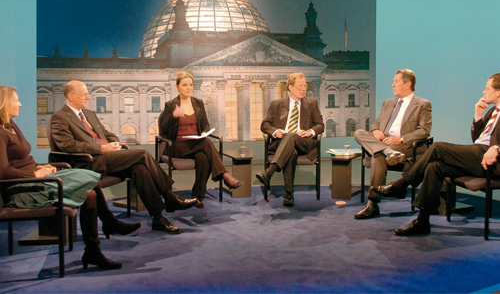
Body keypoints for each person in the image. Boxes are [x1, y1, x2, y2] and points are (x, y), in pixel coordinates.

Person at [0, 86, 128, 270]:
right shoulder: (0, 132)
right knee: (88, 187)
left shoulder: (10, 125)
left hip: (34, 178)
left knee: (89, 181)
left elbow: (22, 161)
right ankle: (100, 239)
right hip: (21, 189)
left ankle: (94, 248)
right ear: (4, 104)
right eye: (16, 100)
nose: (20, 104)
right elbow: (3, 171)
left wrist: (39, 167)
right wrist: (34, 174)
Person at [50, 80, 197, 235]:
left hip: (108, 157)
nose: (88, 97)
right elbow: (67, 145)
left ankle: (158, 218)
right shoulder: (59, 117)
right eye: (85, 94)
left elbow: (107, 134)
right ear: (71, 96)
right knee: (142, 153)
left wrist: (114, 143)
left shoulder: (89, 114)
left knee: (139, 169)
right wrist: (101, 148)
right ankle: (169, 196)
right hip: (89, 162)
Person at [373, 73, 500, 236]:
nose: (483, 92)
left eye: (487, 88)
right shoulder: (491, 112)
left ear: (498, 92)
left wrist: (496, 148)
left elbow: (489, 143)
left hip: (493, 161)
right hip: (478, 154)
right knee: (435, 167)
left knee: (438, 147)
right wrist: (478, 116)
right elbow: (477, 139)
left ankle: (402, 184)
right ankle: (422, 221)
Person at [352, 69, 432, 220]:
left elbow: (424, 131)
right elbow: (376, 122)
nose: (392, 85)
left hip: (404, 146)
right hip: (384, 142)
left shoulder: (422, 104)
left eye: (396, 81)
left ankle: (372, 204)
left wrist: (401, 139)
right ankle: (388, 152)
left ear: (407, 84)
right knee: (359, 133)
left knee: (377, 155)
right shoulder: (388, 103)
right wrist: (375, 131)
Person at [158, 72, 242, 208]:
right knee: (206, 143)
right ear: (177, 87)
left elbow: (205, 124)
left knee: (203, 158)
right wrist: (174, 116)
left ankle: (197, 196)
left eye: (190, 85)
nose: (188, 88)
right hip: (177, 146)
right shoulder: (170, 105)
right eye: (184, 85)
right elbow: (164, 130)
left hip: (196, 144)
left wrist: (203, 132)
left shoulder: (198, 103)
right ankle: (225, 175)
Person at [257, 73, 324, 207]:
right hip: (282, 144)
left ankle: (270, 171)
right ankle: (289, 195)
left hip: (303, 143)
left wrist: (309, 132)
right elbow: (265, 125)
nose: (303, 89)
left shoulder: (311, 104)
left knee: (292, 135)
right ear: (290, 87)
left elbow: (320, 125)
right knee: (290, 152)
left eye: (305, 86)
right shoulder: (276, 104)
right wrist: (276, 132)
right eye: (300, 86)